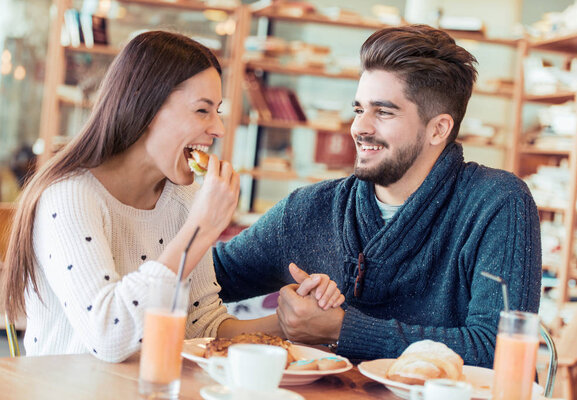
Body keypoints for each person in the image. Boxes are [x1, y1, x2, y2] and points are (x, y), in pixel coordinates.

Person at [212, 25, 542, 368]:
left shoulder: (497, 203)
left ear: (438, 129)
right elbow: (200, 278)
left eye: (383, 112)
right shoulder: (311, 209)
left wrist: (343, 329)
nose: (359, 127)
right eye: (358, 110)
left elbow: (501, 350)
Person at [1, 31, 342, 362]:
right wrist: (200, 230)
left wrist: (292, 322)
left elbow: (202, 327)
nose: (218, 129)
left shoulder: (183, 197)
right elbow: (107, 336)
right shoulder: (70, 197)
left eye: (217, 112)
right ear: (144, 108)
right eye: (202, 110)